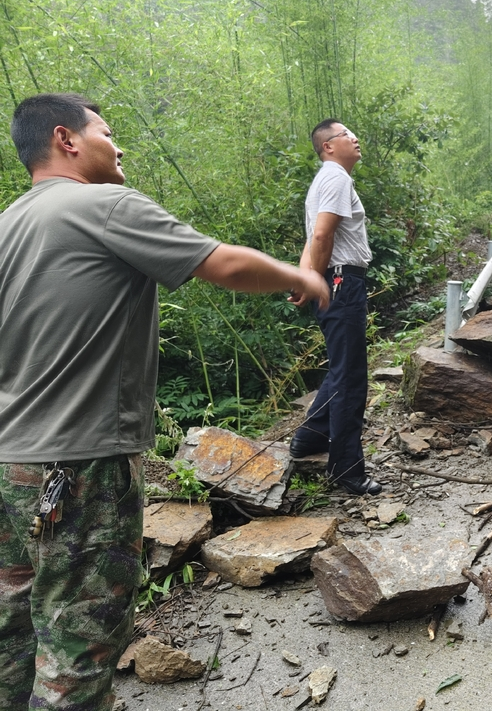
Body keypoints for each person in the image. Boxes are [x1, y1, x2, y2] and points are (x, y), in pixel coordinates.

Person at [0, 93, 329, 711]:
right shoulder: (102, 205)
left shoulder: (7, 225)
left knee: (11, 633)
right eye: (107, 132)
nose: (118, 146)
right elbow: (225, 267)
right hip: (76, 463)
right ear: (67, 140)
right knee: (79, 644)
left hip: (6, 468)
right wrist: (301, 276)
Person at [287, 119, 382, 496]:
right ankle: (347, 470)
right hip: (342, 281)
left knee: (343, 369)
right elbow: (322, 235)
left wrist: (304, 277)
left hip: (334, 279)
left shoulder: (326, 179)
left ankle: (309, 439)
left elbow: (315, 237)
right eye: (347, 135)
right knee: (352, 378)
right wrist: (313, 278)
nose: (355, 138)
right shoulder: (336, 178)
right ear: (328, 146)